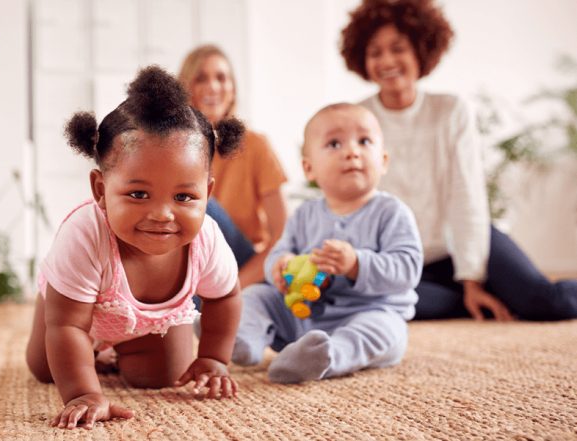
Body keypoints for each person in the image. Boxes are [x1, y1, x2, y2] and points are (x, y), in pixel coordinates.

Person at [25, 66, 245, 430]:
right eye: (138, 194)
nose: (161, 214)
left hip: (149, 325)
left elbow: (225, 297)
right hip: (74, 311)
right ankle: (82, 345)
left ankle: (121, 350)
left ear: (208, 191)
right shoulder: (84, 234)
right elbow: (67, 325)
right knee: (46, 369)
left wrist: (213, 357)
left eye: (184, 196)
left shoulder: (207, 237)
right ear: (100, 190)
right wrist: (83, 392)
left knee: (162, 376)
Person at [340, 0, 577, 321]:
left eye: (398, 48)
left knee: (545, 304)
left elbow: (467, 196)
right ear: (361, 59)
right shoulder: (357, 119)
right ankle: (478, 297)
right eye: (375, 52)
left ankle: (484, 289)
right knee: (390, 307)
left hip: (468, 241)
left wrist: (472, 278)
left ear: (421, 51)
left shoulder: (451, 111)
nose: (387, 61)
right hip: (407, 260)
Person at [233, 103, 422, 384]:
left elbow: (408, 269)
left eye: (364, 141)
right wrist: (279, 269)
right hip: (302, 314)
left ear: (383, 160)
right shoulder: (304, 215)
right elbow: (280, 251)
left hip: (368, 312)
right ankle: (244, 339)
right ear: (309, 169)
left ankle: (326, 355)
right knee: (256, 296)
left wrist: (356, 263)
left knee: (386, 332)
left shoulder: (392, 213)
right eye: (334, 143)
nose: (352, 151)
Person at [179, 45, 288, 287]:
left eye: (221, 78)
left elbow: (282, 237)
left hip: (243, 264)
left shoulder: (256, 145)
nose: (213, 86)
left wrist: (235, 286)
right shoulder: (173, 150)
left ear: (233, 89)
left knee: (201, 206)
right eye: (201, 78)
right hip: (194, 267)